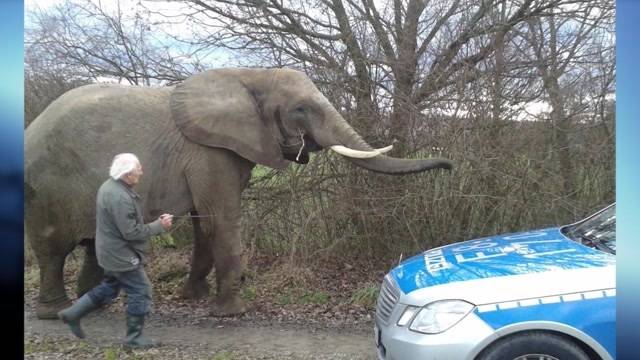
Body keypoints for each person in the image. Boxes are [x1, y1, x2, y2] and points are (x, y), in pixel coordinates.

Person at [57, 153, 173, 348]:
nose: (141, 172)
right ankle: (134, 339)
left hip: (110, 251)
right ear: (127, 174)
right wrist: (159, 226)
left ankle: (72, 314)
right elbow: (131, 232)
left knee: (110, 287)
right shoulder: (120, 197)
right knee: (141, 291)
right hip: (121, 255)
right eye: (138, 170)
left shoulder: (110, 186)